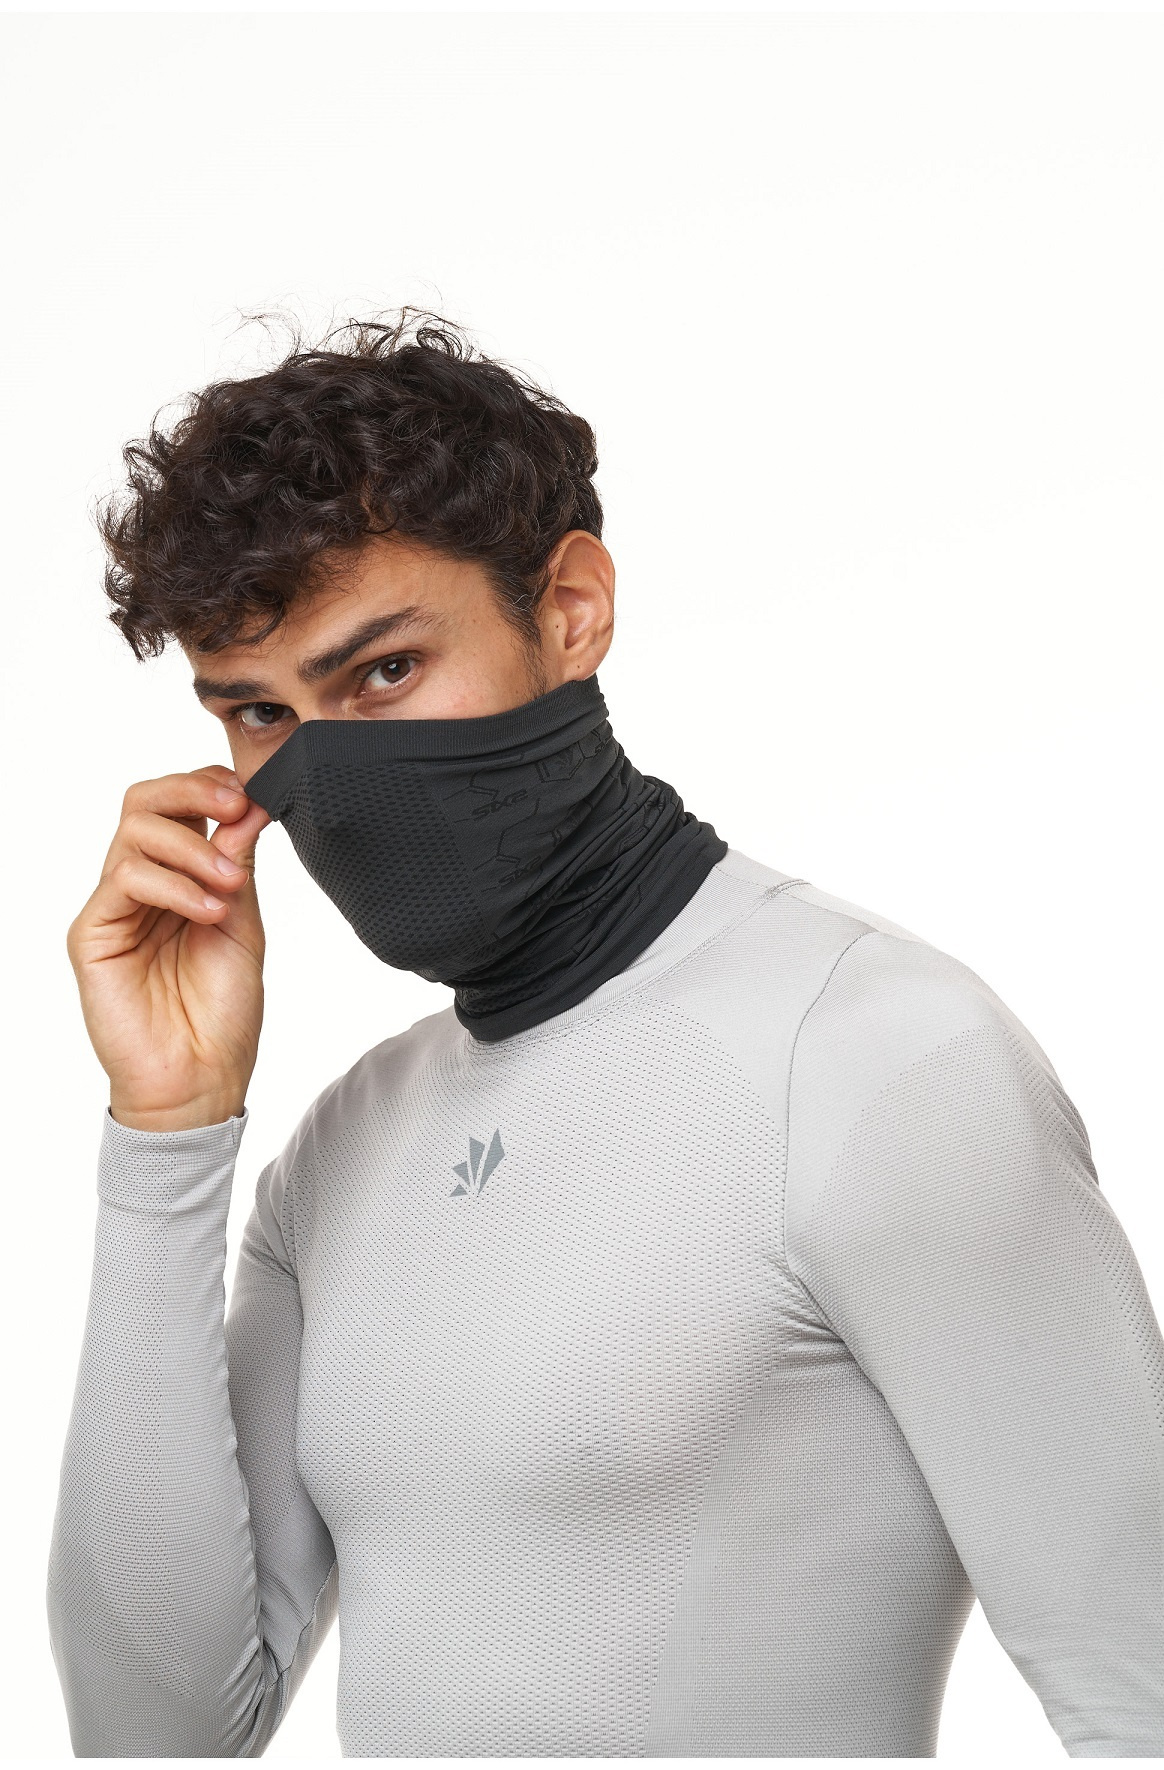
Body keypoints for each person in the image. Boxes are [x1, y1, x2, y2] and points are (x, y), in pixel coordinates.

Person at [46, 308, 1164, 1760]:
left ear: (570, 607)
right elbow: (154, 1738)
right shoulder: (343, 1151)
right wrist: (168, 1131)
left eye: (384, 671)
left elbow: (1144, 1689)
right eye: (261, 714)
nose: (327, 770)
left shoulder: (876, 1058)